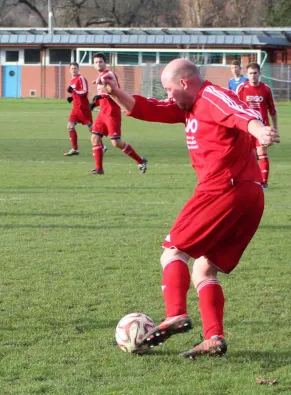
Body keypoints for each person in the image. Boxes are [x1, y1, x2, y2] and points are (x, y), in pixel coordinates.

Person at [98, 58, 279, 359]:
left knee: (173, 251)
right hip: (248, 194)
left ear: (184, 83)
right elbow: (150, 109)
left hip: (224, 187)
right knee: (204, 267)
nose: (168, 95)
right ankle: (213, 338)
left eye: (170, 89)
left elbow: (239, 113)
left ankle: (175, 314)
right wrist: (115, 92)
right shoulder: (188, 105)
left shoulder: (211, 96)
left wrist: (258, 130)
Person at [89, 52, 147, 175]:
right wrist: (95, 103)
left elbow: (112, 90)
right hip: (103, 113)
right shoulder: (100, 77)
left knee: (116, 142)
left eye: (100, 62)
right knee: (94, 138)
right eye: (96, 62)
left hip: (112, 112)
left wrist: (100, 83)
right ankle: (99, 169)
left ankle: (140, 160)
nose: (98, 64)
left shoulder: (109, 74)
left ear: (105, 63)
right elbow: (104, 96)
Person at [236, 62, 278, 189]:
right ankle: (247, 179)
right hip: (247, 127)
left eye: (255, 73)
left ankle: (263, 182)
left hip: (262, 127)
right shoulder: (242, 88)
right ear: (247, 75)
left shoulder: (265, 89)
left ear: (259, 73)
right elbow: (236, 108)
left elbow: (272, 110)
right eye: (250, 73)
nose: (253, 76)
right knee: (247, 154)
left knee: (261, 152)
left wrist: (275, 127)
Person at [64, 62, 93, 156]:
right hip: (75, 107)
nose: (73, 70)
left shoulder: (81, 78)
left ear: (78, 69)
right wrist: (71, 97)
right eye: (72, 68)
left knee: (91, 128)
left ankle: (102, 146)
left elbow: (84, 91)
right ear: (69, 70)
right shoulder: (71, 80)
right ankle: (75, 149)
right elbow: (76, 93)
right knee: (70, 126)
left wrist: (74, 91)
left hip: (83, 107)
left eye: (75, 68)